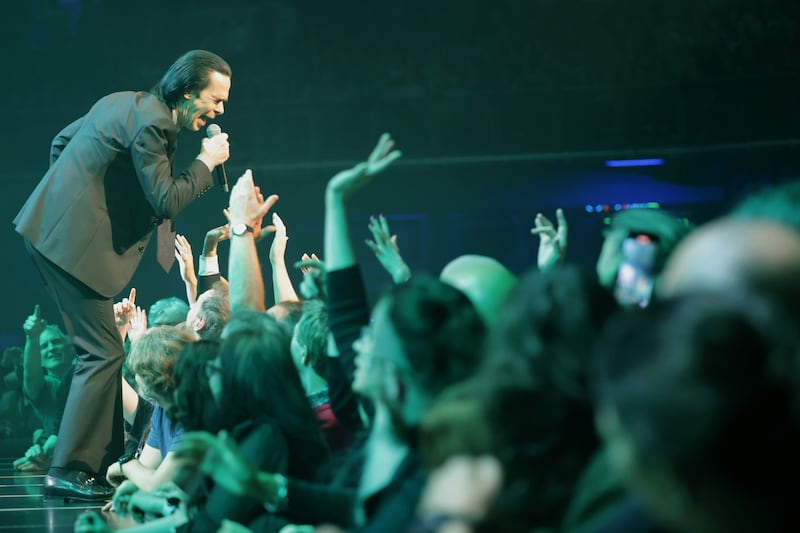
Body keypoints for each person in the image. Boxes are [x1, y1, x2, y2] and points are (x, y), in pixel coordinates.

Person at [13, 49, 232, 501]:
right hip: (68, 248)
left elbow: (62, 142)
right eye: (215, 100)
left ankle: (99, 460)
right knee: (101, 353)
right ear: (188, 92)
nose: (219, 111)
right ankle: (71, 467)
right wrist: (207, 162)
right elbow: (167, 200)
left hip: (54, 237)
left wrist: (79, 201)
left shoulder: (124, 102)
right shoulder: (157, 122)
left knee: (104, 350)